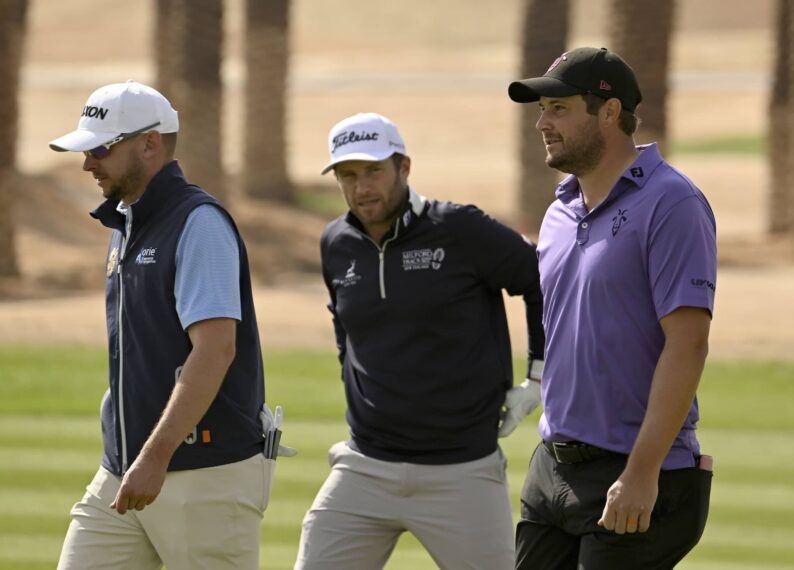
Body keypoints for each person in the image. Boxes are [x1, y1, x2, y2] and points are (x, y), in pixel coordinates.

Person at [50, 80, 287, 569]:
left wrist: (154, 459)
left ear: (149, 144)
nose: (87, 163)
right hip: (123, 472)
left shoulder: (198, 223)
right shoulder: (126, 224)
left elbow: (215, 349)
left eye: (100, 149)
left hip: (204, 477)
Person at [295, 112, 545, 570]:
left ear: (404, 167)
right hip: (365, 466)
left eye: (374, 171)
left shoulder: (460, 229)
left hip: (462, 471)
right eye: (348, 176)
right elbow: (343, 328)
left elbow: (541, 279)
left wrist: (538, 376)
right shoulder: (336, 243)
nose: (362, 187)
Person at [507, 47, 717, 569]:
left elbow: (687, 344)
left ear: (608, 111)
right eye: (541, 110)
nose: (542, 123)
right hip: (551, 467)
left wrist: (642, 473)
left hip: (637, 473)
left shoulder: (672, 203)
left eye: (558, 108)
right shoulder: (559, 211)